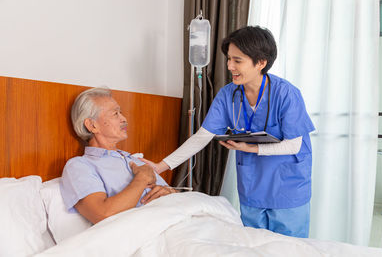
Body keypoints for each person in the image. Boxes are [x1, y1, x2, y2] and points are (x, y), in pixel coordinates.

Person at [141, 26, 315, 238]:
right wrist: (161, 166)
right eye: (229, 59)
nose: (230, 66)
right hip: (253, 186)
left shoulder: (286, 93)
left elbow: (293, 145)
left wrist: (250, 148)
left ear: (261, 62)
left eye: (237, 60)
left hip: (287, 186)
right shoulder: (228, 94)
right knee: (254, 246)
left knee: (291, 248)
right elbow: (202, 137)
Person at [60, 87, 177, 224]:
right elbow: (102, 214)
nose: (124, 119)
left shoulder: (136, 160)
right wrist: (142, 179)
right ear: (92, 125)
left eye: (121, 113)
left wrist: (172, 194)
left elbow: (174, 196)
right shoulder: (79, 166)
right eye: (115, 114)